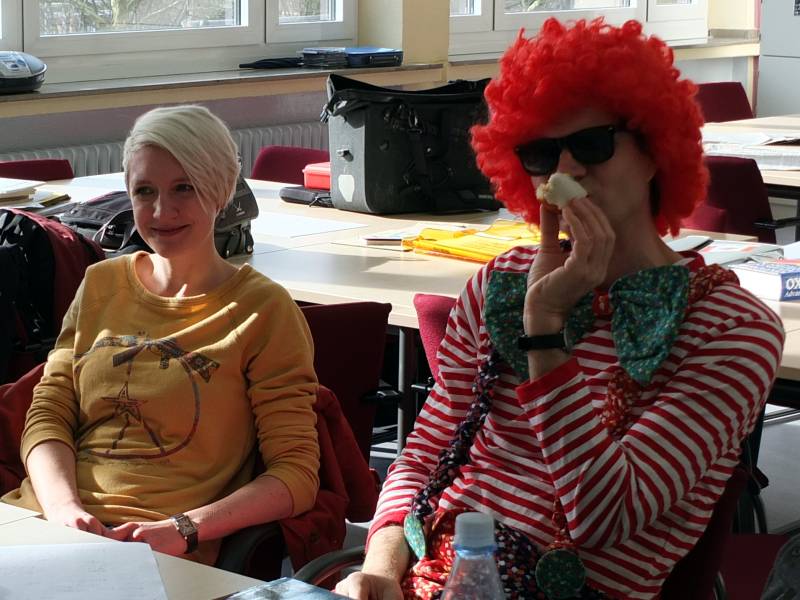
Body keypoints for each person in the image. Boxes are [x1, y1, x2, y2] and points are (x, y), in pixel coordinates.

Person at [336, 18, 785, 600]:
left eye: (593, 144)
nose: (566, 170)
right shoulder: (500, 280)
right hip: (428, 576)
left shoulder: (733, 328)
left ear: (656, 150)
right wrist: (379, 568)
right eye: (542, 154)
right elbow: (423, 455)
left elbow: (605, 515)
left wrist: (545, 332)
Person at [1, 105, 320, 564]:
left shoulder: (262, 309)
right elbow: (48, 414)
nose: (160, 211)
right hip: (43, 520)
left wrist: (184, 529)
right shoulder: (101, 283)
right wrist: (64, 510)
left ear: (219, 190)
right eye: (144, 191)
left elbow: (296, 475)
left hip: (157, 547)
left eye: (184, 188)